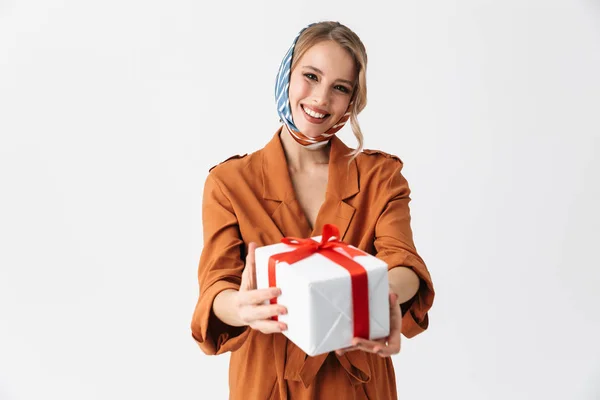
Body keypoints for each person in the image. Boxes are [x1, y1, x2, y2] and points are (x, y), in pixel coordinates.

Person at [191, 21, 435, 400]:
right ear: (287, 74)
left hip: (357, 382)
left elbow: (404, 264)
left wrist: (375, 298)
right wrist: (242, 307)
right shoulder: (229, 182)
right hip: (267, 381)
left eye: (340, 88)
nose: (321, 99)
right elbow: (216, 288)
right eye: (311, 76)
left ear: (353, 101)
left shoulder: (380, 175)